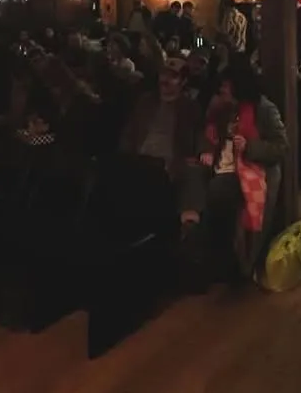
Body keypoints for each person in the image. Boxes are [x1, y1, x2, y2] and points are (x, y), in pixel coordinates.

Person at [180, 59, 286, 283]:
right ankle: (191, 231)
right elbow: (206, 133)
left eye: (226, 86)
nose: (222, 90)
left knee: (218, 190)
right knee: (190, 173)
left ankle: (208, 257)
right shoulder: (221, 108)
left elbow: (281, 147)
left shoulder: (264, 110)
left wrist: (250, 147)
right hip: (221, 162)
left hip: (250, 168)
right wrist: (206, 149)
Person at [119, 57, 201, 182]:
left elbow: (199, 135)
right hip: (140, 159)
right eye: (163, 74)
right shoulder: (146, 101)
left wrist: (198, 154)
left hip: (168, 167)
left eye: (172, 77)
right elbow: (130, 131)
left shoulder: (189, 107)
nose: (165, 80)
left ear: (183, 81)